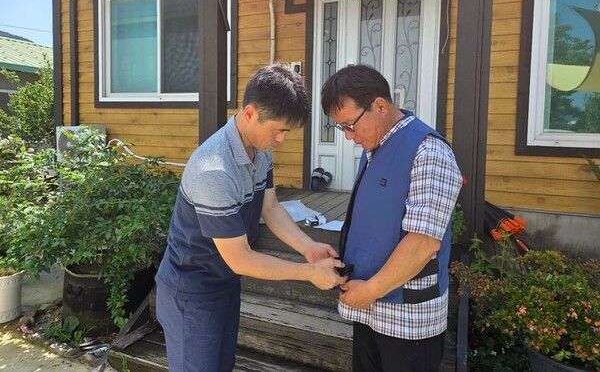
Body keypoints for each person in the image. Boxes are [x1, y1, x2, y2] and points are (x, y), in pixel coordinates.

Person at [155, 64, 346, 372]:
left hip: (225, 283)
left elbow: (270, 208)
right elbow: (241, 259)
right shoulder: (214, 170)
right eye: (278, 130)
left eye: (286, 132)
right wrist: (309, 272)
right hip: (191, 289)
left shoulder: (261, 149)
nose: (281, 139)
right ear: (250, 113)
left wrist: (308, 247)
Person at [321, 65, 463, 372]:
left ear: (380, 106)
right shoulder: (374, 147)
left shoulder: (429, 151)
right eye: (341, 128)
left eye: (350, 125)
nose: (349, 137)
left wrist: (371, 290)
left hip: (407, 319)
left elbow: (423, 243)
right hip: (369, 309)